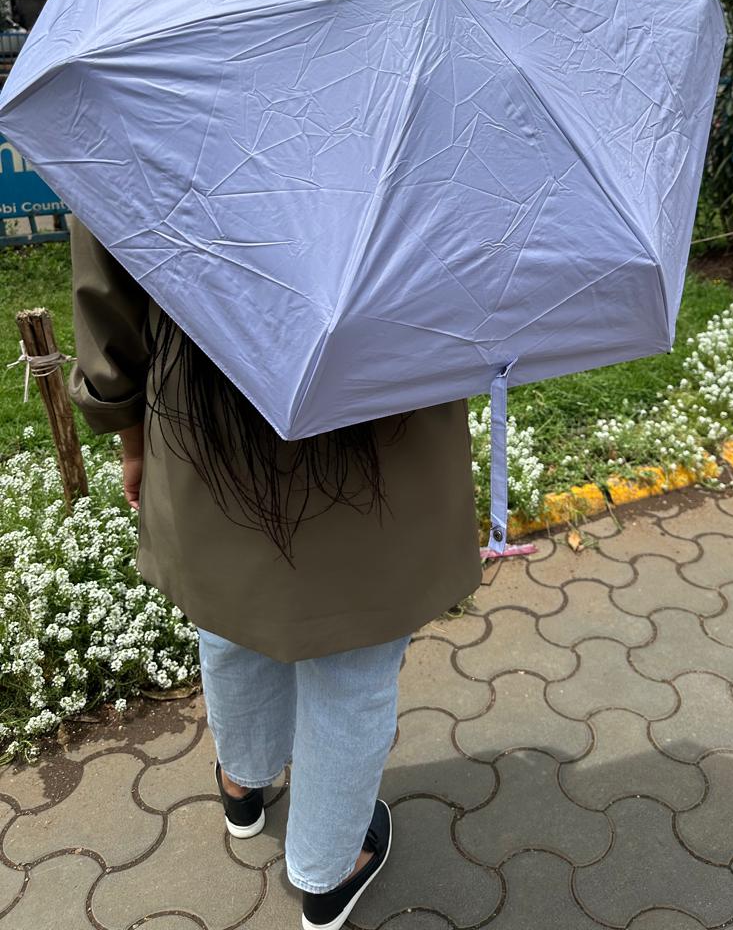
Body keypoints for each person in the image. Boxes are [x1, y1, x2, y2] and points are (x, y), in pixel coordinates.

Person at [68, 217, 483, 930]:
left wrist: (130, 431)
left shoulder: (152, 102)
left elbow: (111, 272)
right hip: (380, 390)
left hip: (205, 398)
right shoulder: (411, 104)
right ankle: (327, 869)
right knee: (354, 657)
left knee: (230, 608)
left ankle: (243, 784)